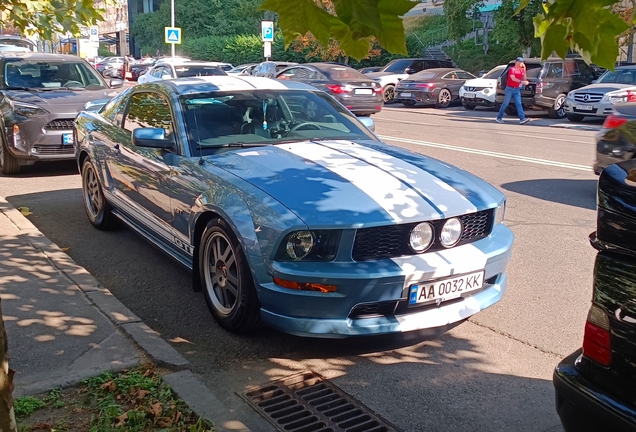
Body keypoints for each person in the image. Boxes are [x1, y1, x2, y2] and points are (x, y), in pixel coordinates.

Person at [496, 57, 530, 125]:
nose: (522, 64)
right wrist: (522, 82)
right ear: (517, 62)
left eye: (522, 62)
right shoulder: (512, 69)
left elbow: (524, 78)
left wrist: (524, 69)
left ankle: (522, 118)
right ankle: (499, 117)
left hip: (516, 89)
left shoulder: (521, 70)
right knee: (506, 103)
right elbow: (513, 78)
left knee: (519, 103)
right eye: (521, 62)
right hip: (509, 89)